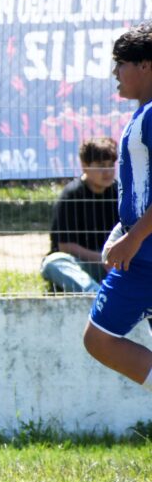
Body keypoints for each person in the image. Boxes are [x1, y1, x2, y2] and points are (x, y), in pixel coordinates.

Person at [82, 22, 152, 392]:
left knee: (100, 339)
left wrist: (134, 238)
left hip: (146, 258)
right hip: (140, 251)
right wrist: (120, 234)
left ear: (145, 65)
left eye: (121, 63)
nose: (115, 73)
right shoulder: (143, 115)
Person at [40, 137, 119, 293]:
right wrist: (102, 258)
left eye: (111, 165)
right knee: (53, 262)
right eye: (101, 166)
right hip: (83, 266)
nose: (108, 172)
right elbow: (65, 246)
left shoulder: (120, 193)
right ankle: (95, 295)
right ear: (84, 165)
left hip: (116, 264)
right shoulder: (71, 195)